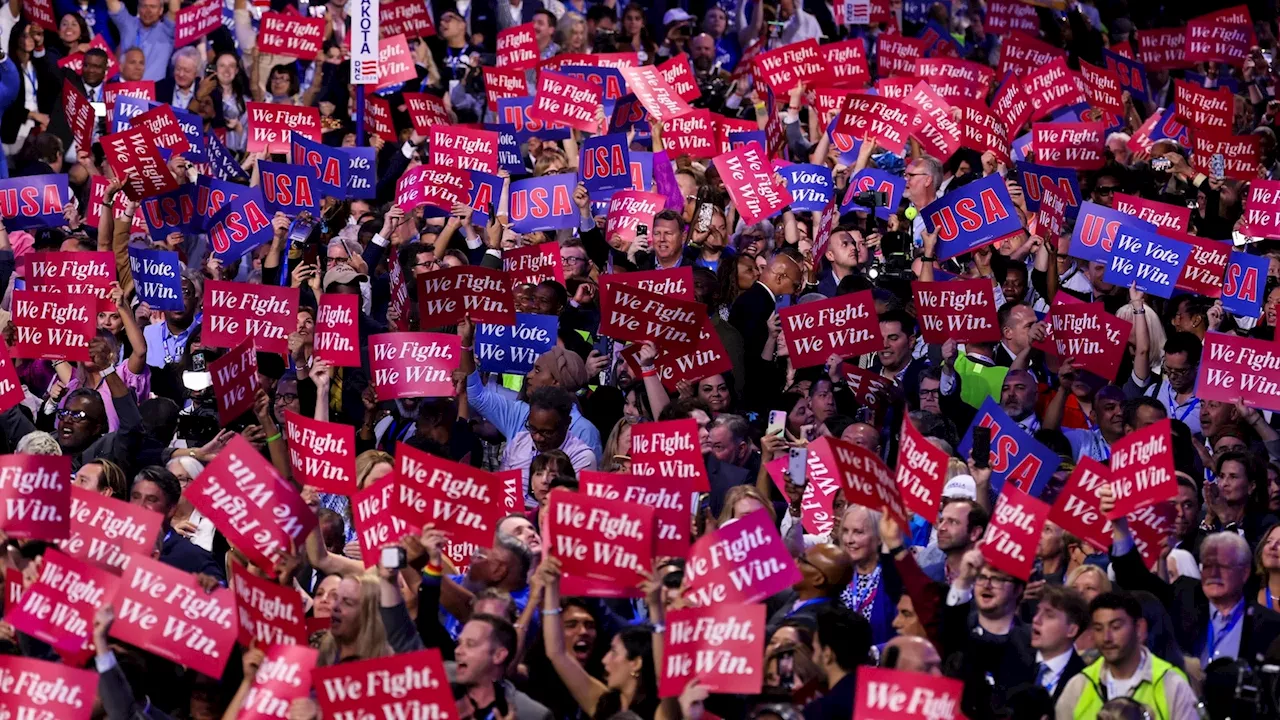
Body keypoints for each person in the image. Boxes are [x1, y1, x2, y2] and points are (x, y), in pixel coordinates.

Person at [1054, 592, 1200, 720]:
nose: (1107, 637)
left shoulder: (1172, 684)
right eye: (1098, 628)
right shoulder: (1079, 686)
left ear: (1138, 628)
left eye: (1116, 627)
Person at [452, 614, 552, 719]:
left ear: (498, 655)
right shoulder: (440, 685)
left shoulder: (532, 714)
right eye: (459, 643)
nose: (457, 651)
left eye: (470, 644)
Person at [802, 605, 871, 720]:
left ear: (827, 654)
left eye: (814, 649)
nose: (812, 658)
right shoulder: (881, 701)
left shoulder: (820, 711)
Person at [1032, 585, 1090, 703]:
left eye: (1049, 615)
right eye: (1037, 611)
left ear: (1071, 630)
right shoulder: (1014, 658)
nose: (1036, 619)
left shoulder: (1084, 681)